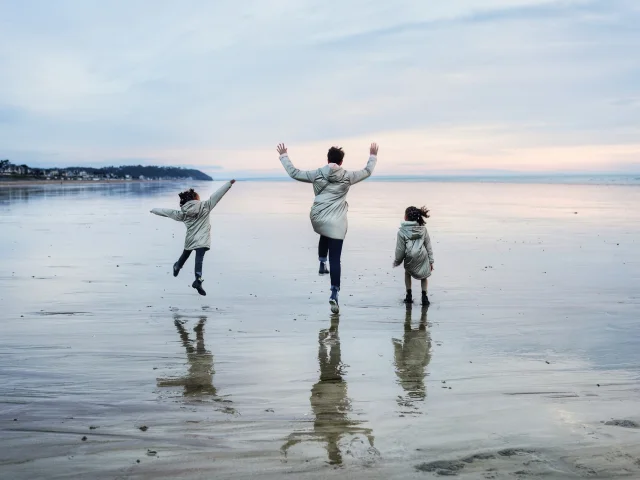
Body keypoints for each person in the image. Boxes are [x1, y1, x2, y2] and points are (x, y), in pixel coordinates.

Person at [276, 142, 379, 313]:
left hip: (318, 217)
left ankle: (322, 262)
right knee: (336, 258)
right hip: (337, 222)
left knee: (325, 230)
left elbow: (294, 173)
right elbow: (367, 171)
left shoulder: (317, 173)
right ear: (341, 162)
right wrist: (373, 156)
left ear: (327, 159)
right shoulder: (347, 176)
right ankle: (334, 294)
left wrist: (284, 156)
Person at [150, 180, 235, 296]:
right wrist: (229, 184)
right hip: (202, 240)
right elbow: (218, 195)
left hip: (190, 239)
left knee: (185, 254)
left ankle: (177, 266)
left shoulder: (183, 213)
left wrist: (154, 210)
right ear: (196, 199)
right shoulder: (206, 206)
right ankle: (198, 279)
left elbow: (167, 212)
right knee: (199, 259)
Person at [393, 206, 434, 306]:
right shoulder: (423, 230)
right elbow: (428, 245)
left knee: (407, 273)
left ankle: (409, 295)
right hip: (422, 255)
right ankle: (424, 297)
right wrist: (431, 261)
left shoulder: (402, 232)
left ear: (405, 217)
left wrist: (397, 260)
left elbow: (400, 249)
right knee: (424, 275)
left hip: (410, 256)